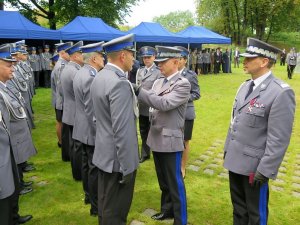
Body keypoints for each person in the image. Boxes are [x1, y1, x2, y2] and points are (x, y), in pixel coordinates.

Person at [223, 38, 295, 225]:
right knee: (239, 210)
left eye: (250, 58)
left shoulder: (280, 92)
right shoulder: (245, 86)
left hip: (255, 167)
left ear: (264, 62)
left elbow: (278, 138)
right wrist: (227, 150)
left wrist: (266, 169)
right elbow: (234, 122)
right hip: (236, 159)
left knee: (255, 214)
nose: (244, 61)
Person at [135, 46, 190, 224]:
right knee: (163, 181)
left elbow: (164, 103)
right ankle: (167, 210)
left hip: (170, 140)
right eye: (157, 62)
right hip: (156, 136)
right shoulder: (159, 81)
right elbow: (151, 99)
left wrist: (139, 91)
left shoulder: (182, 84)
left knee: (174, 182)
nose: (159, 65)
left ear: (175, 62)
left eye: (162, 62)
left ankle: (180, 219)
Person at [90, 34, 139, 225]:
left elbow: (96, 117)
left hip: (104, 154)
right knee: (115, 212)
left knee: (105, 204)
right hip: (117, 161)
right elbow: (123, 130)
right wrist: (127, 167)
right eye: (132, 55)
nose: (134, 59)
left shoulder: (101, 75)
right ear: (123, 56)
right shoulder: (119, 82)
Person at [0, 44, 33, 225]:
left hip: (9, 150)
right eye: (8, 64)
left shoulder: (3, 87)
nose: (13, 67)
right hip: (3, 154)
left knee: (12, 191)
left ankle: (14, 216)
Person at [72, 42, 105, 216]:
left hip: (81, 128)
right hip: (90, 130)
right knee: (93, 168)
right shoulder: (91, 77)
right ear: (94, 58)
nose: (103, 59)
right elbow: (92, 109)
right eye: (101, 56)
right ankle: (95, 206)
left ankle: (88, 196)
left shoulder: (81, 72)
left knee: (86, 165)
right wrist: (99, 133)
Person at [174, 46, 200, 179]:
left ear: (184, 60)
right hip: (172, 113)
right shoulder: (169, 74)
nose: (176, 61)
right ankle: (174, 165)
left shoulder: (191, 75)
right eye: (175, 58)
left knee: (184, 141)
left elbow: (196, 93)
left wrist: (182, 98)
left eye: (179, 59)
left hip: (186, 113)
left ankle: (182, 167)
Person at [61, 41, 84, 180]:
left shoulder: (67, 69)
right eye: (81, 54)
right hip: (76, 111)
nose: (83, 56)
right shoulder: (74, 71)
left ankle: (77, 172)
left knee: (74, 144)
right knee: (78, 145)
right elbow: (80, 93)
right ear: (75, 56)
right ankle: (78, 174)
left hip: (70, 110)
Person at [135, 46, 161, 163]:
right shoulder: (140, 71)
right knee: (143, 130)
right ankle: (145, 153)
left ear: (154, 57)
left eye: (148, 57)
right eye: (144, 57)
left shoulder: (158, 72)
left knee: (155, 131)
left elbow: (158, 90)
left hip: (152, 106)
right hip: (141, 106)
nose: (146, 59)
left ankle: (157, 153)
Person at [51, 41, 72, 152]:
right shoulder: (62, 66)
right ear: (63, 53)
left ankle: (62, 143)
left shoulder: (61, 64)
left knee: (61, 123)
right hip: (62, 101)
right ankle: (62, 144)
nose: (71, 54)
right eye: (69, 52)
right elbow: (61, 88)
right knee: (62, 123)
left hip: (60, 100)